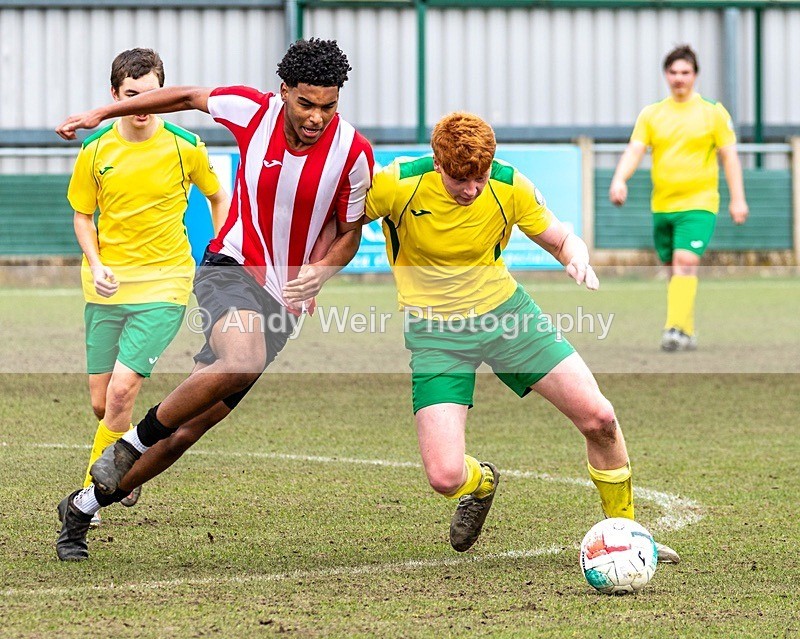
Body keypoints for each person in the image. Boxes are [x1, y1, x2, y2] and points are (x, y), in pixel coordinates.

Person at [54, 38, 374, 561]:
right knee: (239, 359)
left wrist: (318, 273)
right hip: (230, 267)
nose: (317, 118)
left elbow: (350, 232)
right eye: (306, 103)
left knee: (185, 433)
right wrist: (103, 111)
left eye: (329, 105)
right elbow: (182, 97)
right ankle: (128, 446)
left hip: (284, 303)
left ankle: (83, 507)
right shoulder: (253, 110)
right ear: (284, 91)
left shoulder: (354, 154)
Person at [362, 111, 680, 563]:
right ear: (437, 163)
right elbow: (340, 223)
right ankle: (483, 481)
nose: (471, 189)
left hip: (508, 318)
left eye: (480, 176)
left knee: (599, 418)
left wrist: (576, 257)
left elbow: (559, 238)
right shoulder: (396, 184)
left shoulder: (510, 185)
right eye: (459, 179)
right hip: (436, 334)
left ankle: (626, 531)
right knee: (446, 477)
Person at [65, 48, 229, 528]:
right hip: (106, 286)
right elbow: (82, 215)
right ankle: (125, 460)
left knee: (121, 391)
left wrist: (221, 258)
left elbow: (219, 197)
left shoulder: (185, 144)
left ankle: (93, 493)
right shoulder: (95, 151)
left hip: (166, 282)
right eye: (132, 94)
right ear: (113, 96)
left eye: (152, 93)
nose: (143, 103)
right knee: (102, 401)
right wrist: (96, 264)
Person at [609, 44, 748, 351]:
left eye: (685, 72)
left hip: (699, 204)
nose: (679, 78)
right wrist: (620, 179)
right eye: (673, 72)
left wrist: (738, 199)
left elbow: (730, 158)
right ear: (666, 75)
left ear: (695, 75)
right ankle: (686, 329)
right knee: (674, 268)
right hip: (662, 206)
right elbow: (635, 150)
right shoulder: (652, 114)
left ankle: (673, 329)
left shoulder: (713, 112)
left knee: (685, 261)